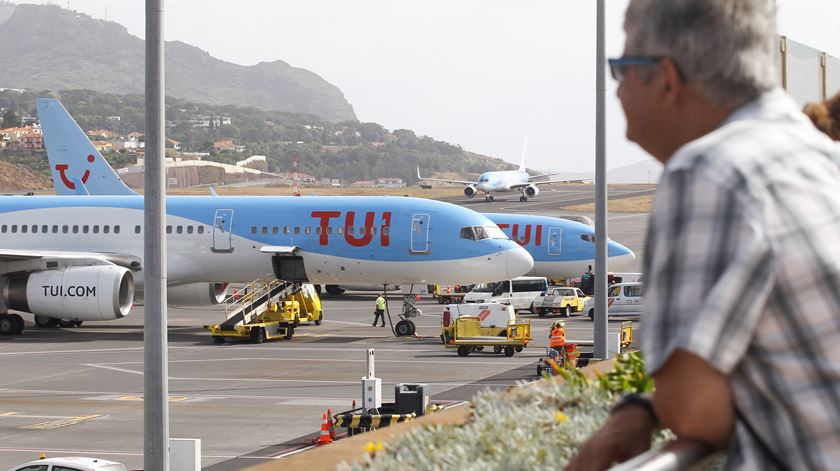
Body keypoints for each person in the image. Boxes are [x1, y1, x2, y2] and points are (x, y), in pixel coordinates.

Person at [567, 1, 840, 470]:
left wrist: (641, 408)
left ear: (667, 79)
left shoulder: (707, 171)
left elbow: (691, 408)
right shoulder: (817, 155)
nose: (616, 91)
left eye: (622, 68)